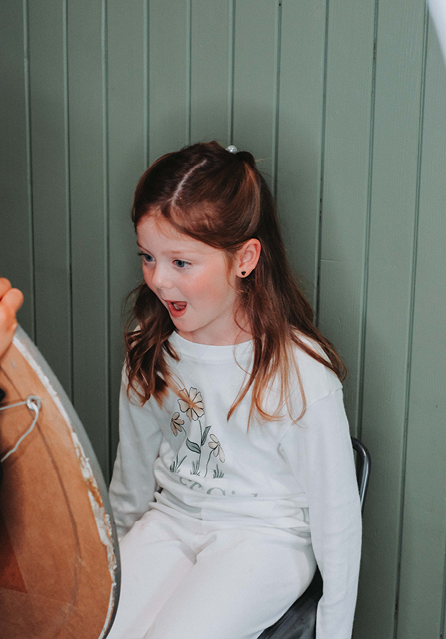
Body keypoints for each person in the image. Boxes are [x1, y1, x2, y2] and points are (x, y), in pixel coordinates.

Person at [107, 142, 361, 639]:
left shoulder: (301, 372)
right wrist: (107, 573)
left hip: (265, 537)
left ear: (244, 258)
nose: (159, 280)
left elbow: (338, 526)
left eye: (181, 262)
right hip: (173, 519)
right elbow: (132, 478)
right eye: (148, 257)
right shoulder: (150, 343)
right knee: (97, 625)